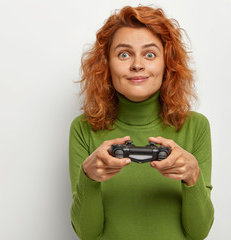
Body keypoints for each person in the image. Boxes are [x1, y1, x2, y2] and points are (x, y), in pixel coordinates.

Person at [69, 5, 214, 240]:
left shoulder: (195, 127)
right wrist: (89, 177)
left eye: (150, 54)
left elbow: (198, 233)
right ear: (106, 65)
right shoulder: (83, 129)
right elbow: (87, 233)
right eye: (124, 54)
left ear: (167, 64)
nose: (137, 65)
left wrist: (192, 175)